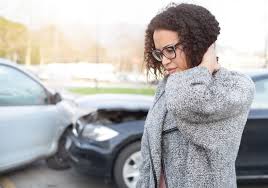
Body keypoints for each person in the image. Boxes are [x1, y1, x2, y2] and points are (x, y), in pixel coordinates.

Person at [136, 3, 255, 188]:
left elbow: (187, 102)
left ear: (197, 43)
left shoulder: (236, 85)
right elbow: (148, 159)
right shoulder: (167, 86)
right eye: (160, 53)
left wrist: (204, 66)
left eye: (170, 49)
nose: (165, 60)